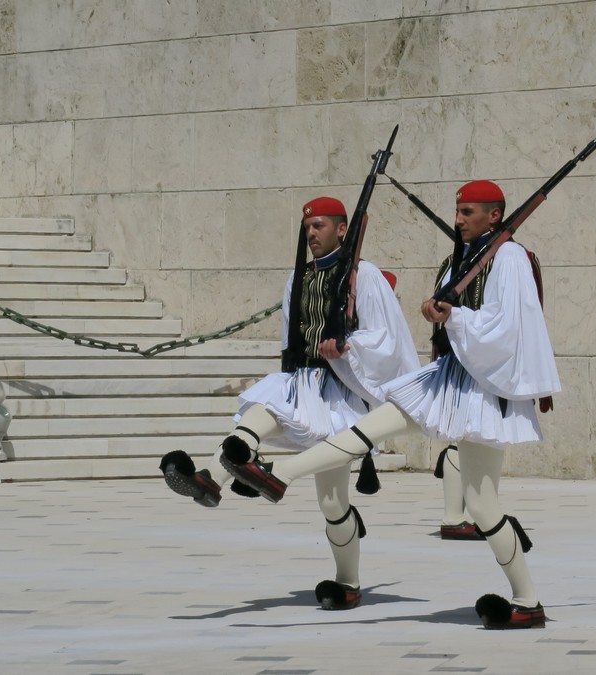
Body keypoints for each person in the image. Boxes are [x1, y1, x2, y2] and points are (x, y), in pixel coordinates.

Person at [222, 180, 560, 630]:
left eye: (469, 212)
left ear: (494, 215)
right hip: (447, 378)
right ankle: (279, 476)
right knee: (369, 428)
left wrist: (452, 314)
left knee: (482, 507)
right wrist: (438, 309)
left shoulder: (510, 257)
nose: (458, 219)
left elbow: (508, 326)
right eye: (458, 211)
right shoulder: (464, 257)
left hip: (483, 388)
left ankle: (527, 600)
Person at [158, 196, 419, 611]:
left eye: (320, 226)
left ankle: (347, 582)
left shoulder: (364, 276)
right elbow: (288, 335)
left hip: (343, 391)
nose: (312, 233)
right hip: (303, 380)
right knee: (264, 404)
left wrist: (346, 346)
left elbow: (385, 337)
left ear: (341, 228)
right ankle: (211, 479)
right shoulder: (298, 276)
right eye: (308, 227)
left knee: (333, 503)